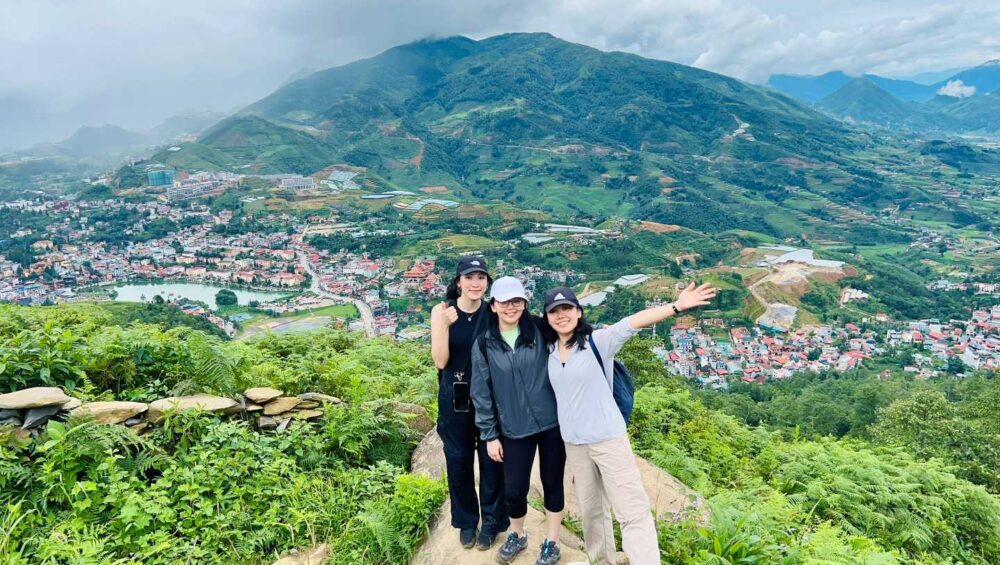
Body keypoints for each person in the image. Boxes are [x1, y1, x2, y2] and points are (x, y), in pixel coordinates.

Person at [540, 283, 717, 565]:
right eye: (554, 311)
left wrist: (676, 306)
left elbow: (632, 322)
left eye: (567, 308)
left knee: (631, 510)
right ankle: (601, 560)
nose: (561, 315)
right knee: (592, 512)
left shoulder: (598, 342)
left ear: (579, 312)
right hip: (575, 444)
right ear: (547, 318)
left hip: (608, 439)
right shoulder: (548, 350)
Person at [470, 277, 565, 565]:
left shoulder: (540, 329)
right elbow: (481, 393)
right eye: (504, 302)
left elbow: (570, 341)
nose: (511, 307)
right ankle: (518, 533)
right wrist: (489, 435)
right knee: (513, 489)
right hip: (513, 427)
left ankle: (552, 541)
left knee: (552, 482)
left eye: (517, 301)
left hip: (551, 423)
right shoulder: (484, 343)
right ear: (493, 305)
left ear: (524, 303)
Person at [430, 256, 508, 550]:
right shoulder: (442, 311)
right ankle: (465, 521)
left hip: (489, 398)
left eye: (481, 277)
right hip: (455, 396)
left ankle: (492, 523)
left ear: (487, 282)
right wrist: (444, 327)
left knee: (492, 461)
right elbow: (440, 361)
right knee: (458, 460)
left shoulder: (493, 312)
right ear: (458, 282)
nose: (475, 283)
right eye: (469, 277)